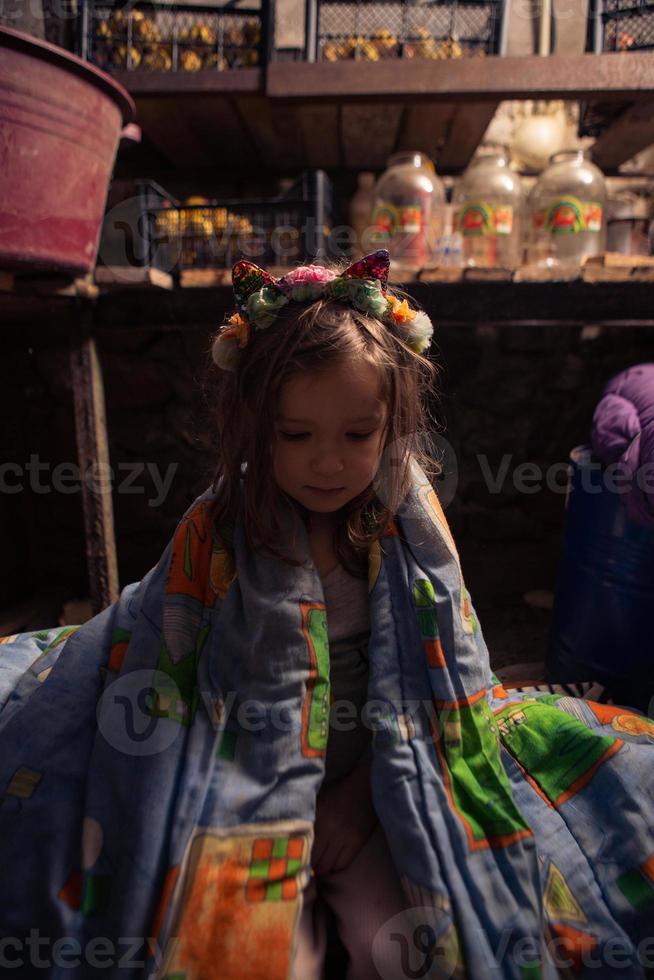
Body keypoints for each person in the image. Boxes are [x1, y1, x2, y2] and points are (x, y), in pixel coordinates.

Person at [0, 250, 653, 980]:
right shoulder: (220, 531)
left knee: (411, 948)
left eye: (356, 434)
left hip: (376, 782)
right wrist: (260, 802)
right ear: (254, 426)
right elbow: (174, 672)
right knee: (254, 958)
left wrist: (356, 799)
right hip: (238, 782)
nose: (328, 463)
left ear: (392, 424)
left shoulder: (411, 532)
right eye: (295, 434)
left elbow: (441, 680)